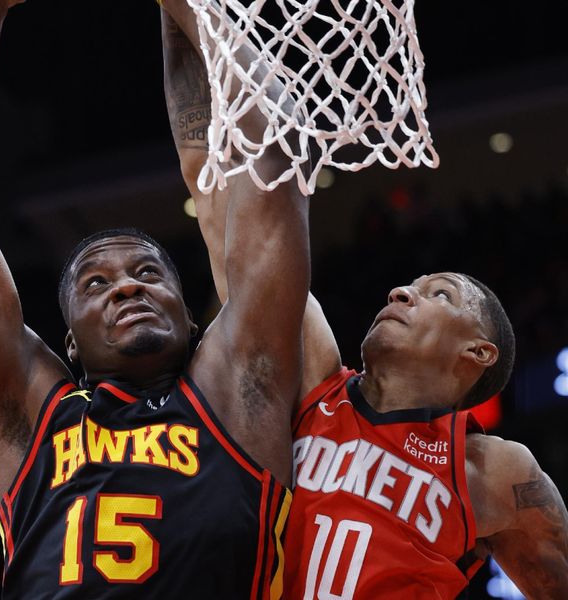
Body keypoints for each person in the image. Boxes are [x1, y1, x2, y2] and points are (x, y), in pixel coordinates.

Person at [162, 4, 568, 600]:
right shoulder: (311, 382)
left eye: (439, 294)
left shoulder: (494, 471)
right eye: (411, 284)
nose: (402, 290)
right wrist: (179, 19)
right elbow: (209, 178)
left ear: (478, 352)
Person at [0, 0, 308, 597]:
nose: (127, 284)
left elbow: (274, 150)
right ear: (68, 338)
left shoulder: (240, 391)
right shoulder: (28, 419)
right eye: (95, 283)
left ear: (190, 315)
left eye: (149, 272)